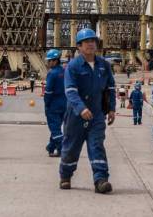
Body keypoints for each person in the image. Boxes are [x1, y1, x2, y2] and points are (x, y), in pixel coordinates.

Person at [60, 28, 116, 194]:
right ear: (79, 46)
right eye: (87, 42)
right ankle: (65, 175)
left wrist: (112, 108)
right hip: (76, 116)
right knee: (71, 148)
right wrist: (80, 108)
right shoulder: (73, 66)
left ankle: (101, 180)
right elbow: (70, 90)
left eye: (93, 41)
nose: (91, 44)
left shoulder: (104, 65)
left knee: (97, 146)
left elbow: (110, 88)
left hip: (97, 115)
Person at [44, 49, 67, 157]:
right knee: (56, 127)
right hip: (64, 103)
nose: (48, 63)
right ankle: (51, 147)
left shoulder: (52, 73)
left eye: (49, 61)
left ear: (54, 61)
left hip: (53, 104)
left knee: (55, 129)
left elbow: (48, 91)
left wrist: (47, 103)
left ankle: (62, 149)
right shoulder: (64, 71)